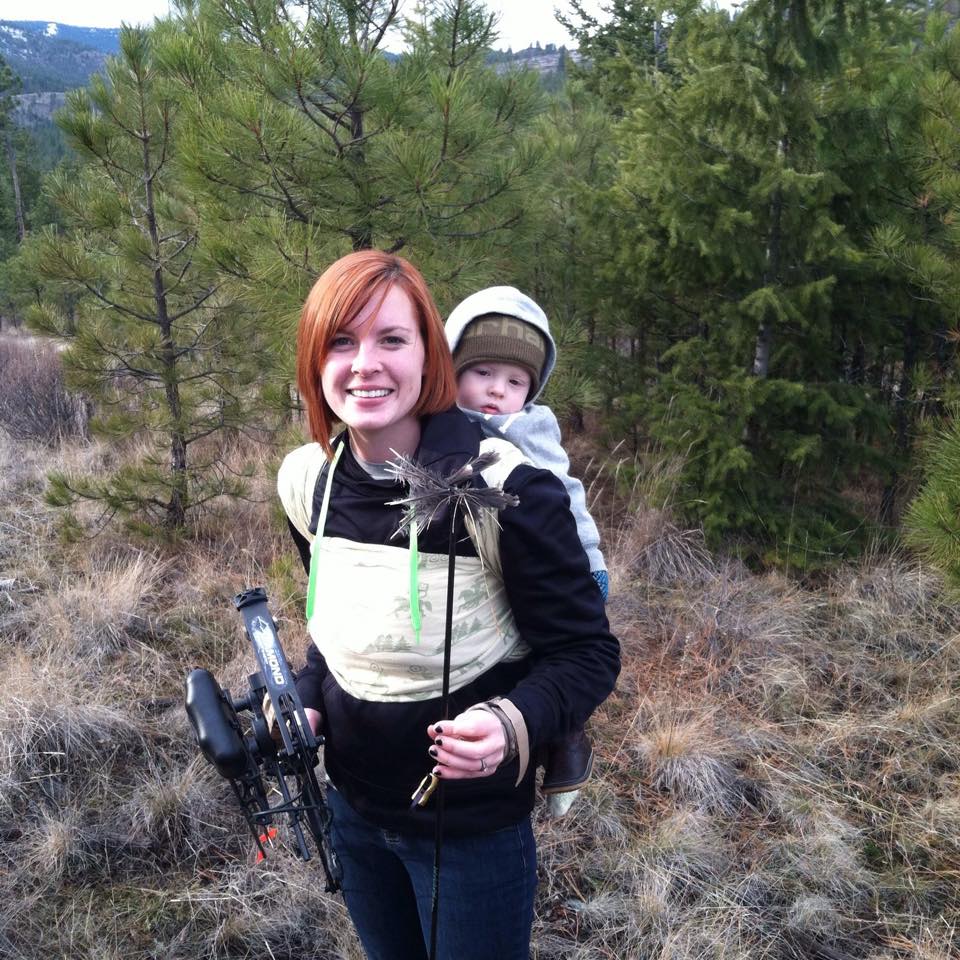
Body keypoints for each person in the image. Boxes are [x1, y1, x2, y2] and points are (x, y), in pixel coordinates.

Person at [276, 250, 619, 960]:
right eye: (341, 341)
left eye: (390, 339)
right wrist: (307, 696)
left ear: (429, 353)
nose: (364, 363)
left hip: (470, 835)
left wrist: (512, 722)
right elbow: (338, 633)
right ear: (315, 361)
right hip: (352, 811)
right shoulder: (311, 481)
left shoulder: (510, 489)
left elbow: (587, 653)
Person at [445, 287, 606, 804]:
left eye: (515, 382)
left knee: (549, 645)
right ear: (451, 369)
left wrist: (591, 562)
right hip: (493, 559)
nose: (497, 391)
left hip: (562, 557)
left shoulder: (528, 429)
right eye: (483, 373)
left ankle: (565, 741)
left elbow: (566, 497)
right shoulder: (439, 423)